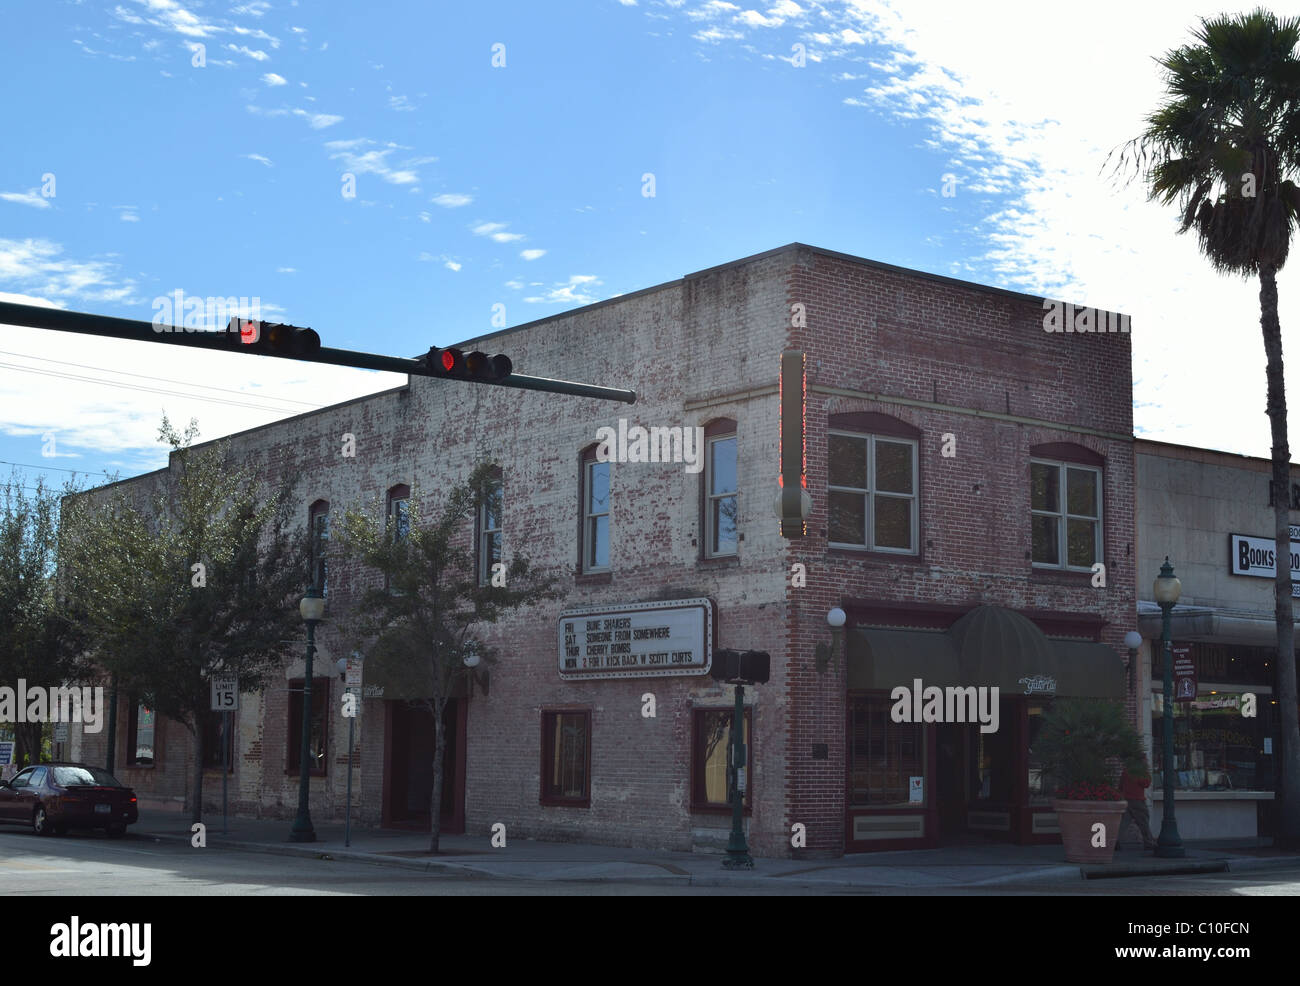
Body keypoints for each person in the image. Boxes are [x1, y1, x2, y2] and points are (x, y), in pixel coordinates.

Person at [1119, 757, 1158, 851]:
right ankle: (1149, 842)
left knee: (1123, 823)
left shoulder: (1125, 771)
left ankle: (1115, 841)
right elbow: (1146, 783)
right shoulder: (1139, 772)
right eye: (1145, 760)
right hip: (1137, 800)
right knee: (1143, 822)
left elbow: (1120, 786)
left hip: (1126, 799)